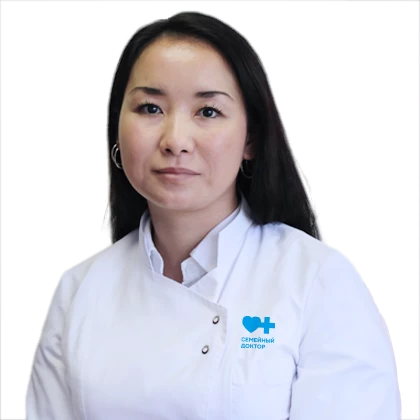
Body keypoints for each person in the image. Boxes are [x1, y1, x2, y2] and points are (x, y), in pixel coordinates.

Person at [24, 10, 402, 420]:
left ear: (251, 140)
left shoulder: (319, 282)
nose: (175, 140)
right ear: (116, 129)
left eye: (207, 112)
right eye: (150, 108)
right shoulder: (78, 291)